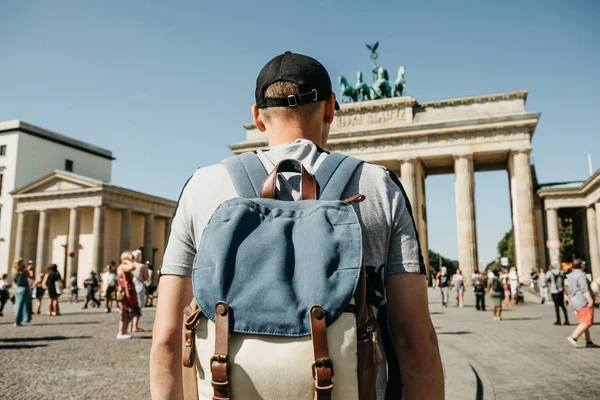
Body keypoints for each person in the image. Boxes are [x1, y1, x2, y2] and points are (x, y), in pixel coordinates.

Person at [150, 52, 443, 399]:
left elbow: (168, 336)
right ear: (331, 108)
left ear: (258, 117)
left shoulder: (202, 187)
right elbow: (414, 338)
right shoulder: (379, 186)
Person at [566, 259, 596, 348]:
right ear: (581, 265)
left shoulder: (570, 275)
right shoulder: (581, 275)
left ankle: (588, 341)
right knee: (587, 322)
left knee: (583, 321)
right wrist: (590, 300)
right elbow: (584, 289)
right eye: (583, 264)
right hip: (582, 300)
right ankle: (573, 337)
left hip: (575, 300)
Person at [116, 251, 141, 340]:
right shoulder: (123, 266)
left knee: (127, 314)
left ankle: (124, 332)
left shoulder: (123, 266)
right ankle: (121, 332)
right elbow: (133, 267)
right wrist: (127, 261)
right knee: (124, 314)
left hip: (128, 292)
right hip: (125, 293)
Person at [131, 249, 149, 332]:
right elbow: (146, 278)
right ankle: (135, 326)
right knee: (138, 307)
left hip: (131, 287)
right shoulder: (142, 266)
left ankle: (130, 326)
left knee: (131, 307)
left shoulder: (129, 265)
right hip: (139, 287)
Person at [12, 259, 32, 326]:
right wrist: (28, 270)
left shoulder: (14, 272)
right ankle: (20, 320)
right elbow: (30, 275)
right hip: (24, 289)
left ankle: (19, 320)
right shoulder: (22, 272)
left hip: (17, 288)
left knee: (18, 305)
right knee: (24, 305)